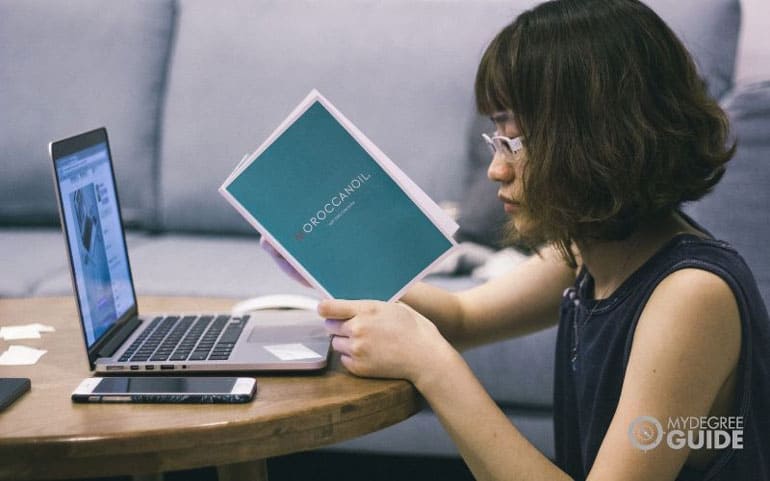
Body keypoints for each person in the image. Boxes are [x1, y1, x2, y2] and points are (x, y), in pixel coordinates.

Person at [263, 0, 770, 479]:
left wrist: (432, 364)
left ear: (603, 141)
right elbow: (462, 318)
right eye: (496, 138)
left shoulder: (691, 296)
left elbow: (444, 342)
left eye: (517, 142)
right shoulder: (589, 253)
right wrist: (338, 263)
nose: (496, 169)